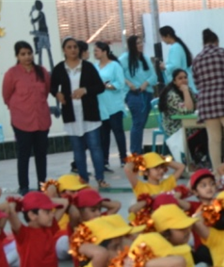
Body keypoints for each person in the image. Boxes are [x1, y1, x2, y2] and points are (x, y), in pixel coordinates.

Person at [50, 37, 107, 189]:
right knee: (78, 149)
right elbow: (52, 87)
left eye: (75, 47)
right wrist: (57, 94)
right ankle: (83, 180)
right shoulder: (59, 68)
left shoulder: (88, 67)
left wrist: (85, 90)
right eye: (69, 47)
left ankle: (100, 178)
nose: (73, 50)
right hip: (71, 114)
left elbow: (100, 87)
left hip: (89, 113)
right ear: (64, 50)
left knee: (95, 147)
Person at [191, 29, 224, 174]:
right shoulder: (223, 52)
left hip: (206, 102)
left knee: (214, 139)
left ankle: (217, 173)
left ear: (203, 43)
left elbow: (196, 84)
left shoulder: (197, 59)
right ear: (216, 41)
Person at [3, 41, 52, 195]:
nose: (27, 57)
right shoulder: (12, 74)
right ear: (17, 56)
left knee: (41, 154)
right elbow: (6, 96)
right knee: (24, 154)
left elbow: (46, 92)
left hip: (41, 120)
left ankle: (42, 184)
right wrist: (19, 108)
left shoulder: (42, 72)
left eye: (29, 53)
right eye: (23, 54)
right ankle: (23, 186)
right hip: (21, 121)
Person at [93, 41, 127, 172]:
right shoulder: (95, 67)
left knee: (118, 132)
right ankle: (104, 160)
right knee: (104, 134)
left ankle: (123, 158)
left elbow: (120, 83)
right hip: (101, 106)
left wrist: (106, 86)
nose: (94, 53)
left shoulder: (114, 66)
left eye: (96, 50)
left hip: (114, 105)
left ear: (104, 51)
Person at [120, 35, 157, 156]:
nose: (140, 45)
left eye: (141, 43)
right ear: (132, 45)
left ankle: (138, 150)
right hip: (133, 94)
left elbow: (154, 76)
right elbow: (118, 74)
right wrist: (129, 83)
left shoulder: (144, 58)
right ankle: (135, 152)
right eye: (137, 43)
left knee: (141, 123)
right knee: (137, 122)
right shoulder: (124, 59)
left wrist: (146, 83)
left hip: (147, 93)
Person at [159, 26, 196, 95]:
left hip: (181, 81)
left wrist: (165, 67)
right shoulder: (177, 46)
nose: (162, 40)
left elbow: (175, 65)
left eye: (162, 37)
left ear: (168, 36)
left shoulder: (175, 47)